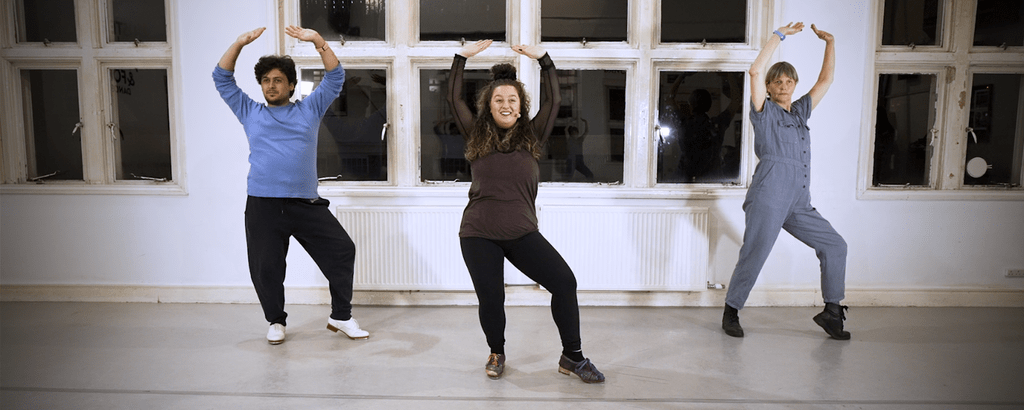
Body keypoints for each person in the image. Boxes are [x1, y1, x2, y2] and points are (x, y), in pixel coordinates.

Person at [447, 39, 604, 383]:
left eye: (512, 100)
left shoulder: (533, 135)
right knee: (492, 298)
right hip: (478, 233)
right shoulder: (475, 134)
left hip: (521, 233)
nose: (505, 104)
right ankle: (496, 351)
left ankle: (572, 357)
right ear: (489, 107)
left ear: (520, 108)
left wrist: (544, 60)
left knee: (564, 283)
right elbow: (454, 98)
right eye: (498, 100)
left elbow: (555, 100)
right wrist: (461, 57)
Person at [213, 26, 369, 345]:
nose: (271, 85)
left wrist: (317, 42)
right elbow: (221, 78)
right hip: (263, 204)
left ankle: (341, 316)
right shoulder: (250, 111)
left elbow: (335, 77)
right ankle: (275, 321)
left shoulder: (308, 109)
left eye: (278, 80)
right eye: (266, 80)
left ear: (291, 85)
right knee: (267, 267)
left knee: (342, 250)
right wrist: (239, 43)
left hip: (304, 204)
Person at [722, 23, 850, 340]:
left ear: (794, 85)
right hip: (768, 195)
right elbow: (754, 71)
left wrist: (830, 43)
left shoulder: (800, 112)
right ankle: (731, 312)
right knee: (755, 253)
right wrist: (778, 37)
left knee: (835, 245)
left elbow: (826, 80)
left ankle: (833, 312)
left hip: (798, 201)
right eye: (777, 81)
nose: (783, 84)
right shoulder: (763, 111)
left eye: (788, 80)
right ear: (768, 87)